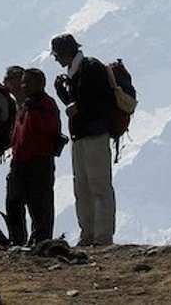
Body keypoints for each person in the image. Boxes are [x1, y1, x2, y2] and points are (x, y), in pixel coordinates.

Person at [51, 33, 116, 247]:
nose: (56, 59)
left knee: (98, 185)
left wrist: (72, 101)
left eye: (57, 54)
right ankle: (88, 234)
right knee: (83, 187)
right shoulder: (77, 72)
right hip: (82, 135)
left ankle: (102, 236)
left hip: (94, 133)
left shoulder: (90, 68)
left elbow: (87, 102)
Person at [6, 68, 62, 246]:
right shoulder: (26, 105)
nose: (25, 85)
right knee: (14, 201)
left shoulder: (45, 104)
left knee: (39, 203)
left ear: (40, 84)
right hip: (20, 159)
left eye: (28, 82)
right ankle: (17, 240)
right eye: (24, 82)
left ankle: (42, 240)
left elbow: (49, 129)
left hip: (40, 159)